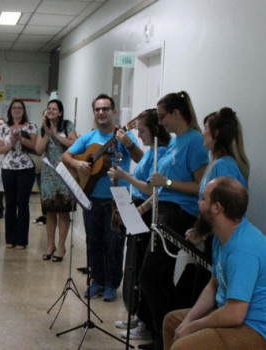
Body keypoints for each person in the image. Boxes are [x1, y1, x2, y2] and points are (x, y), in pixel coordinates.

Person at [163, 177, 266, 349]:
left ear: (217, 208)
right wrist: (187, 322)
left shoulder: (244, 249)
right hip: (239, 316)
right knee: (172, 322)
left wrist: (194, 326)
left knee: (183, 347)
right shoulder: (222, 236)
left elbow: (235, 314)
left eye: (203, 199)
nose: (198, 203)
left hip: (263, 331)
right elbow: (213, 285)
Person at [135, 91, 209, 350]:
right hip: (163, 211)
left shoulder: (195, 141)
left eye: (163, 116)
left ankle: (164, 338)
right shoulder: (177, 142)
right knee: (159, 279)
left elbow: (200, 187)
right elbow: (161, 189)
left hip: (180, 215)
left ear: (177, 114)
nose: (161, 122)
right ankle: (164, 335)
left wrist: (165, 181)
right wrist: (143, 209)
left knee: (150, 278)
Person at [62, 94, 138, 302]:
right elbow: (66, 156)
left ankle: (112, 285)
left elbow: (141, 159)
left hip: (118, 198)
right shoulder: (89, 137)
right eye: (97, 109)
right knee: (94, 241)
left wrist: (129, 144)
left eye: (105, 109)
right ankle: (96, 281)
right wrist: (78, 165)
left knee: (114, 243)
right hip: (92, 197)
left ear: (114, 112)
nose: (101, 113)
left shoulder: (124, 136)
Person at [107, 108, 170, 340]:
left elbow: (149, 188)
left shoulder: (162, 153)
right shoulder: (151, 151)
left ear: (154, 130)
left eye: (142, 131)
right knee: (133, 264)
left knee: (143, 269)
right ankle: (138, 315)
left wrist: (125, 177)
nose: (139, 135)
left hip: (148, 214)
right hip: (138, 209)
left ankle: (145, 322)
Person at [34, 99, 78, 261]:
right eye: (49, 108)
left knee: (63, 212)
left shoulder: (67, 126)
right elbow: (39, 150)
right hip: (48, 174)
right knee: (50, 211)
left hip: (65, 173)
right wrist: (46, 132)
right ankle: (50, 245)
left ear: (60, 112)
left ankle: (61, 247)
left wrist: (55, 135)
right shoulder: (43, 128)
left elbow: (74, 144)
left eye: (54, 109)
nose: (51, 111)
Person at [0, 99, 39, 250]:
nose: (17, 110)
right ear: (10, 110)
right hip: (8, 168)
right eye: (14, 108)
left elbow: (35, 146)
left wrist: (20, 138)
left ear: (24, 110)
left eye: (20, 108)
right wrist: (11, 144)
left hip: (26, 168)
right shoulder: (3, 128)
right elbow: (0, 150)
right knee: (10, 203)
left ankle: (22, 240)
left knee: (22, 203)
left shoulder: (31, 126)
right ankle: (10, 238)